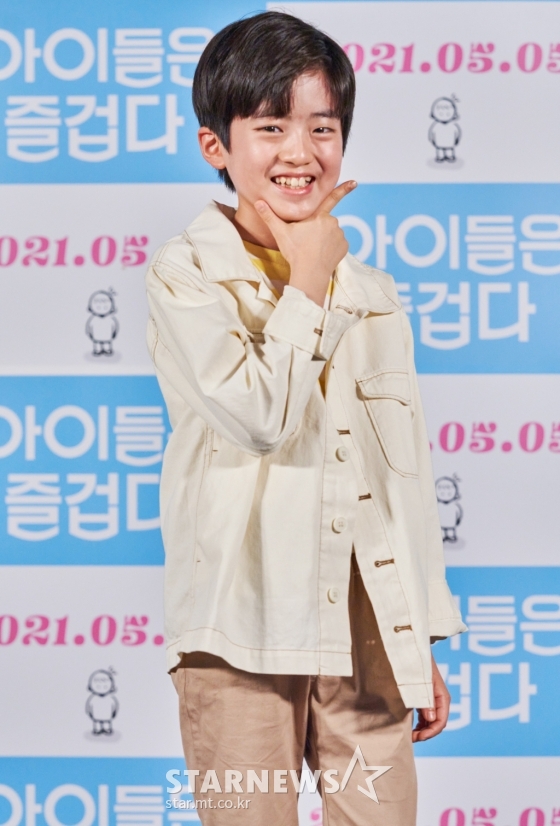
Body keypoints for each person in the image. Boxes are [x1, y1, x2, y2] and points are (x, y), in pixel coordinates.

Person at [145, 11, 467, 824]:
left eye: (322, 127)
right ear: (216, 145)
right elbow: (260, 416)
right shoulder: (188, 273)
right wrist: (311, 279)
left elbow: (401, 481)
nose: (301, 151)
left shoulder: (374, 293)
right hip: (239, 634)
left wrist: (418, 637)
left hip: (367, 639)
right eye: (271, 126)